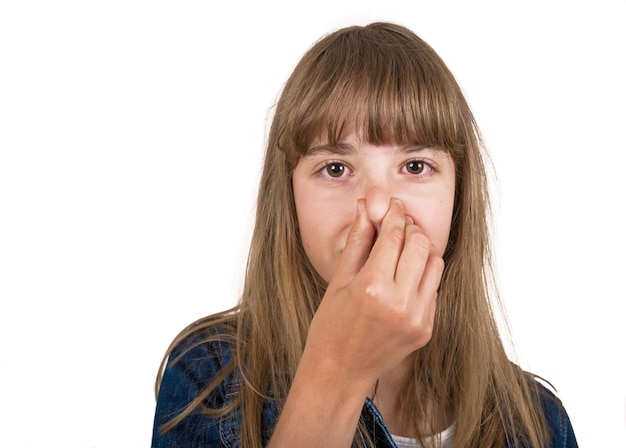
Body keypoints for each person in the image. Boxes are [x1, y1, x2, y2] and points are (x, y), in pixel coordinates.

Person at [151, 22, 578, 448]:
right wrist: (338, 369)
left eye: (415, 167)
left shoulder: (539, 422)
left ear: (458, 196)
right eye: (335, 169)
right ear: (290, 198)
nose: (377, 208)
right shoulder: (208, 375)